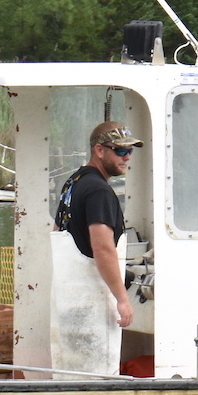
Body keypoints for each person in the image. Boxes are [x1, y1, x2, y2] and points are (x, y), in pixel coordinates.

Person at [50, 121, 141, 376]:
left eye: (130, 151)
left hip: (67, 306)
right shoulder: (99, 191)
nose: (127, 157)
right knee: (98, 382)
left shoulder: (72, 183)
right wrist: (122, 300)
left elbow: (59, 231)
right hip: (92, 312)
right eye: (120, 150)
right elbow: (102, 249)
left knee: (68, 380)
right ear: (99, 151)